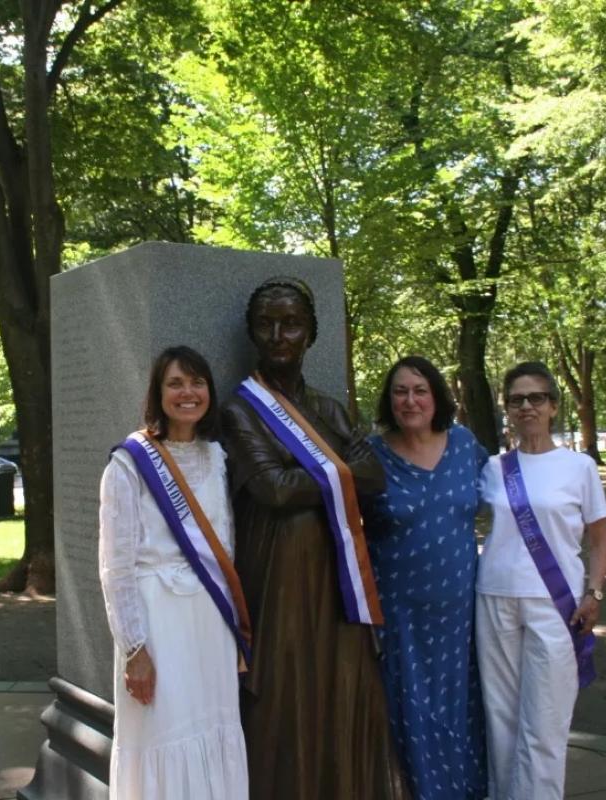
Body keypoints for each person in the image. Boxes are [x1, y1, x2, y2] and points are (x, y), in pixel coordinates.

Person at [222, 276, 402, 800]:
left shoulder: (330, 409)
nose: (279, 335)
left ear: (312, 334)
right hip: (276, 571)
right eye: (267, 324)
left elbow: (374, 478)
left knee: (339, 683)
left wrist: (314, 476)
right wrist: (336, 473)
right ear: (253, 333)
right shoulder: (239, 410)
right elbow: (273, 490)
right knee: (284, 690)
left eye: (292, 324)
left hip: (338, 572)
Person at [98, 345, 249, 800]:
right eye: (176, 383)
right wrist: (134, 649)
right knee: (163, 734)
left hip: (209, 623)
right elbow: (115, 566)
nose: (188, 392)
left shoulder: (218, 458)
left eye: (197, 382)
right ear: (158, 393)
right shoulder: (129, 463)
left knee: (213, 725)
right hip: (157, 621)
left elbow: (226, 547)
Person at [476, 361, 606, 800]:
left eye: (536, 398)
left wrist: (594, 592)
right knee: (501, 718)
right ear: (507, 409)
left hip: (556, 603)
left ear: (553, 405)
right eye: (517, 400)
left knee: (546, 721)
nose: (527, 407)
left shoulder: (579, 468)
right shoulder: (493, 468)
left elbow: (599, 538)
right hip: (494, 596)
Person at [360, 355, 487, 800]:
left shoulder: (466, 445)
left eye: (419, 390)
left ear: (436, 397)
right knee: (410, 712)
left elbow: (509, 506)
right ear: (388, 400)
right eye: (400, 391)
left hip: (463, 617)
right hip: (401, 619)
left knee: (463, 710)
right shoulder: (371, 456)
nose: (409, 400)